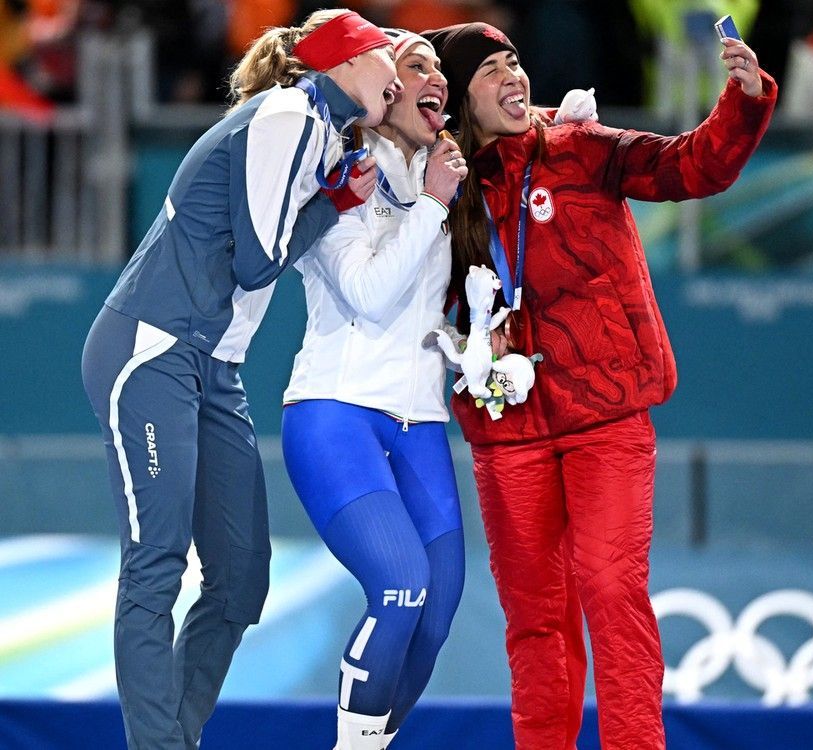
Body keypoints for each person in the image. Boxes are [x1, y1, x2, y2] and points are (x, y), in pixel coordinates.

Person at [422, 21, 777, 750]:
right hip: (506, 428)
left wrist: (741, 102)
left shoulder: (580, 148)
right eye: (490, 70)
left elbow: (688, 168)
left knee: (613, 596)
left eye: (514, 60)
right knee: (536, 621)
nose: (513, 76)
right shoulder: (439, 185)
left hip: (605, 418)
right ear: (461, 97)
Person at [80, 10, 401, 749]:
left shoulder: (323, 132)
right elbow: (259, 261)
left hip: (212, 365)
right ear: (347, 61)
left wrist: (340, 195)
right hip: (151, 347)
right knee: (156, 559)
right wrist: (335, 204)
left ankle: (174, 739)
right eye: (387, 56)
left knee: (241, 577)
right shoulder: (288, 112)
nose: (395, 71)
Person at [280, 29, 468, 750]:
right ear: (379, 89)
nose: (435, 79)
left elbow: (426, 304)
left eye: (438, 70)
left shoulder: (439, 173)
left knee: (439, 608)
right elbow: (364, 294)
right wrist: (431, 205)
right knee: (400, 586)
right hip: (337, 413)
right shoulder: (337, 168)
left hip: (420, 421)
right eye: (414, 65)